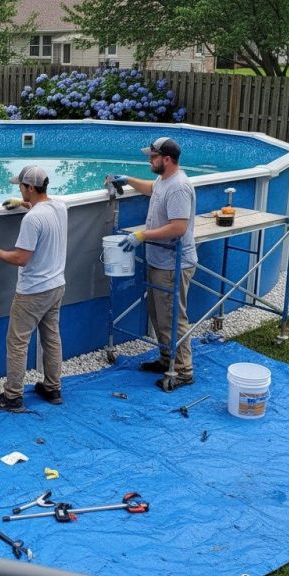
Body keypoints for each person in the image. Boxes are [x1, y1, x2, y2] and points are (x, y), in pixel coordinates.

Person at [108, 136, 197, 389]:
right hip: (160, 260)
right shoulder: (164, 180)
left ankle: (183, 370)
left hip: (174, 263)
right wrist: (127, 180)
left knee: (172, 317)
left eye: (153, 156)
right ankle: (167, 359)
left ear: (166, 159)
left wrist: (142, 235)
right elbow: (151, 189)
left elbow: (179, 227)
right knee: (158, 315)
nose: (149, 159)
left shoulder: (179, 187)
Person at [0, 165, 68, 411]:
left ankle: (13, 396)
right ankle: (52, 387)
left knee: (17, 342)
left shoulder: (33, 219)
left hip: (33, 291)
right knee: (51, 338)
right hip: (56, 285)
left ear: (29, 187)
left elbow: (21, 258)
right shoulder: (59, 207)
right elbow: (41, 210)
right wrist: (22, 203)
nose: (19, 188)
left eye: (21, 186)